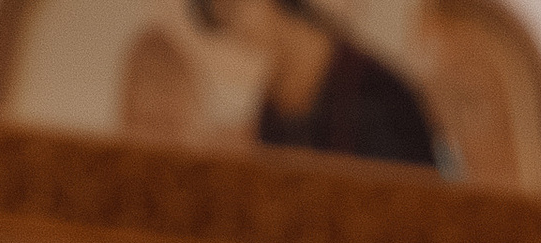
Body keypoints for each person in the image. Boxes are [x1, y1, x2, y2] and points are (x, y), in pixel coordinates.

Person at [184, 0, 453, 170]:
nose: (237, 31)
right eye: (224, 24)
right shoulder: (272, 93)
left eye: (234, 10)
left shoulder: (372, 84)